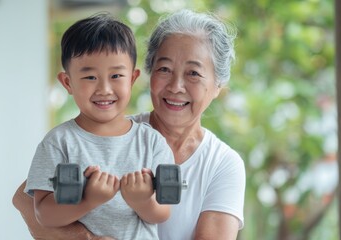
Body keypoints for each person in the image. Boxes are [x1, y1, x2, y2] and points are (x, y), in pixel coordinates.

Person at [13, 9, 245, 240]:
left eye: (193, 73)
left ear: (218, 86)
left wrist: (143, 201)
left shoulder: (222, 163)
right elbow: (27, 200)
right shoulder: (105, 130)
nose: (176, 86)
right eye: (164, 69)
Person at [23, 13, 175, 240]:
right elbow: (43, 214)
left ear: (132, 79)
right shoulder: (58, 142)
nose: (104, 88)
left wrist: (142, 201)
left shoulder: (152, 142)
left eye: (116, 75)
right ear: (67, 82)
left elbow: (162, 213)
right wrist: (88, 200)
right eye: (90, 77)